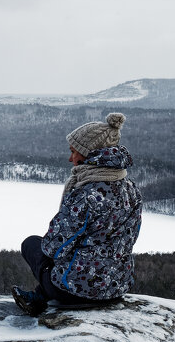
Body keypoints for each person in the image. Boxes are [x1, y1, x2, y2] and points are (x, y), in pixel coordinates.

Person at [13, 112, 143, 316]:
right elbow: (131, 237)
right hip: (117, 287)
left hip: (76, 292)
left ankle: (40, 298)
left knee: (31, 244)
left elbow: (53, 248)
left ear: (90, 154)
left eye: (74, 152)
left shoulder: (87, 193)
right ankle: (40, 296)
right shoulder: (131, 189)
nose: (70, 158)